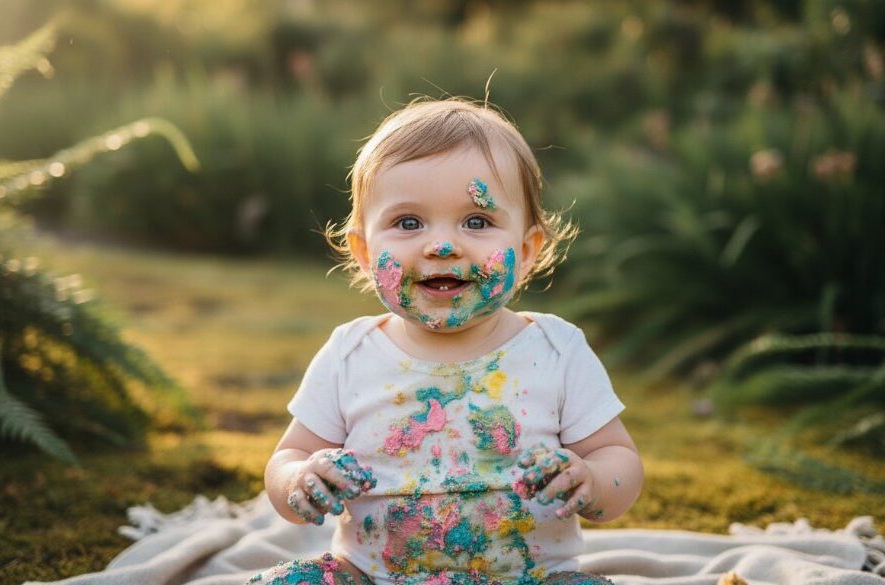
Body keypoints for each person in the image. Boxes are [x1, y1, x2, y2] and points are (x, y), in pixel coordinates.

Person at [247, 98, 643, 585]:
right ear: (366, 251)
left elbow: (619, 460)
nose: (441, 245)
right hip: (371, 577)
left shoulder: (556, 352)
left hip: (529, 580)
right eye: (408, 223)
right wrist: (299, 479)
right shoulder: (350, 354)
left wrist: (593, 480)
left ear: (525, 251)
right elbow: (286, 458)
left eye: (476, 222)